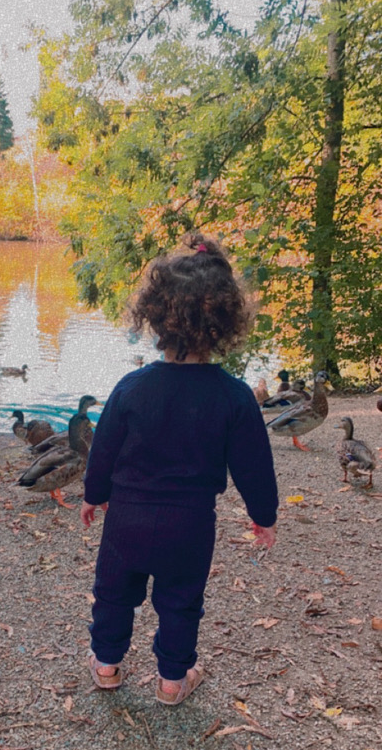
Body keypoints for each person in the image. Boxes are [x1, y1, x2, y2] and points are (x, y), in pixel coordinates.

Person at [82, 234, 278, 705]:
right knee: (180, 601)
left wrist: (93, 493)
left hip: (127, 517)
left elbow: (104, 448)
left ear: (155, 317)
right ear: (225, 323)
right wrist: (264, 515)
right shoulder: (234, 397)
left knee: (113, 592)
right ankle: (172, 681)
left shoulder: (131, 387)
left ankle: (106, 665)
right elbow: (254, 465)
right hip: (189, 523)